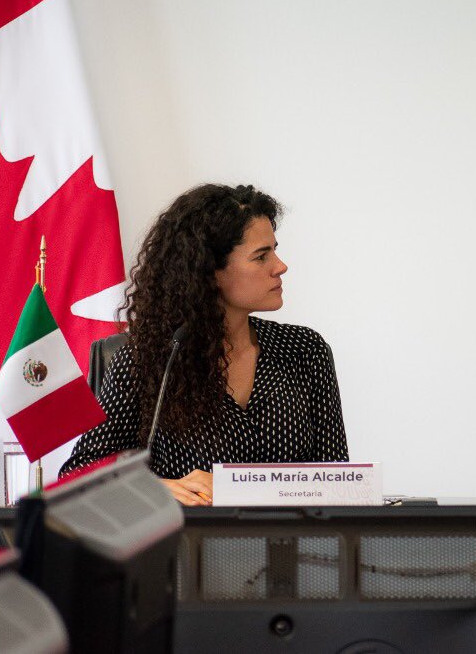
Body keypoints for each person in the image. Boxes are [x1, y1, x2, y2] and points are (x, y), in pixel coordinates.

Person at [60, 184, 349, 505]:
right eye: (261, 256)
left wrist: (236, 488)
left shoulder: (304, 350)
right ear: (209, 272)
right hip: (186, 547)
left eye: (275, 250)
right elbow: (81, 472)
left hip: (285, 550)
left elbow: (335, 480)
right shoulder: (150, 358)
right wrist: (151, 488)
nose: (280, 266)